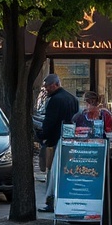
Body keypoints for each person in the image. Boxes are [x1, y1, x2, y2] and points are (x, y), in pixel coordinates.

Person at [38, 73, 79, 213]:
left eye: (47, 87)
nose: (46, 90)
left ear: (55, 85)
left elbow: (49, 122)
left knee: (52, 174)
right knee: (66, 173)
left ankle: (51, 202)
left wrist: (42, 136)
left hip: (55, 141)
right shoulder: (72, 99)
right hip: (70, 141)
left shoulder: (55, 100)